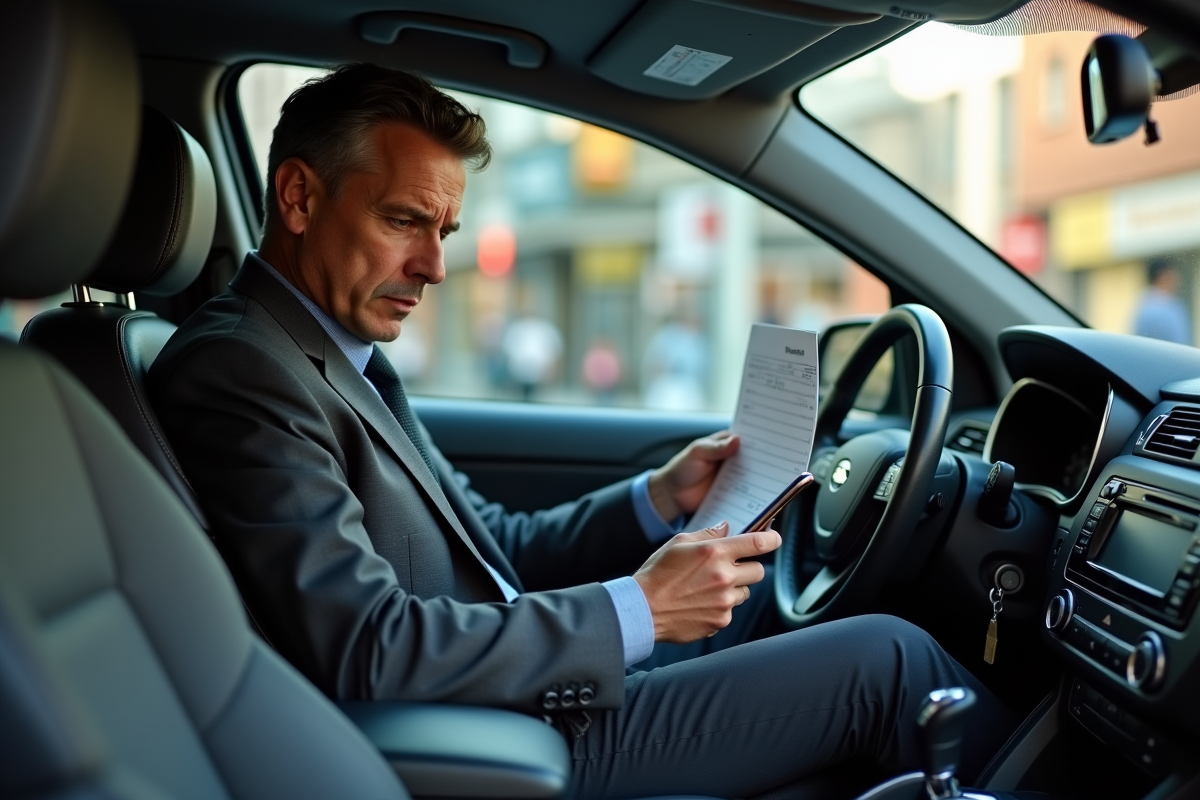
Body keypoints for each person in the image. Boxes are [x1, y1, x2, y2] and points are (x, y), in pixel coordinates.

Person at [149, 64, 1012, 799]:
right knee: (887, 660)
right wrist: (638, 607)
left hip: (507, 677)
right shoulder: (242, 371)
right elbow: (366, 648)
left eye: (444, 231)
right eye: (404, 221)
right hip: (489, 732)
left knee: (759, 611)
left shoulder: (328, 351)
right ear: (299, 197)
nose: (436, 267)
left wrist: (658, 498)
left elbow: (492, 547)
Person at [1133, 257, 1192, 345]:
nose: (1177, 278)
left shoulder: (1142, 302)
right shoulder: (1171, 306)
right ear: (1163, 276)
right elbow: (1180, 341)